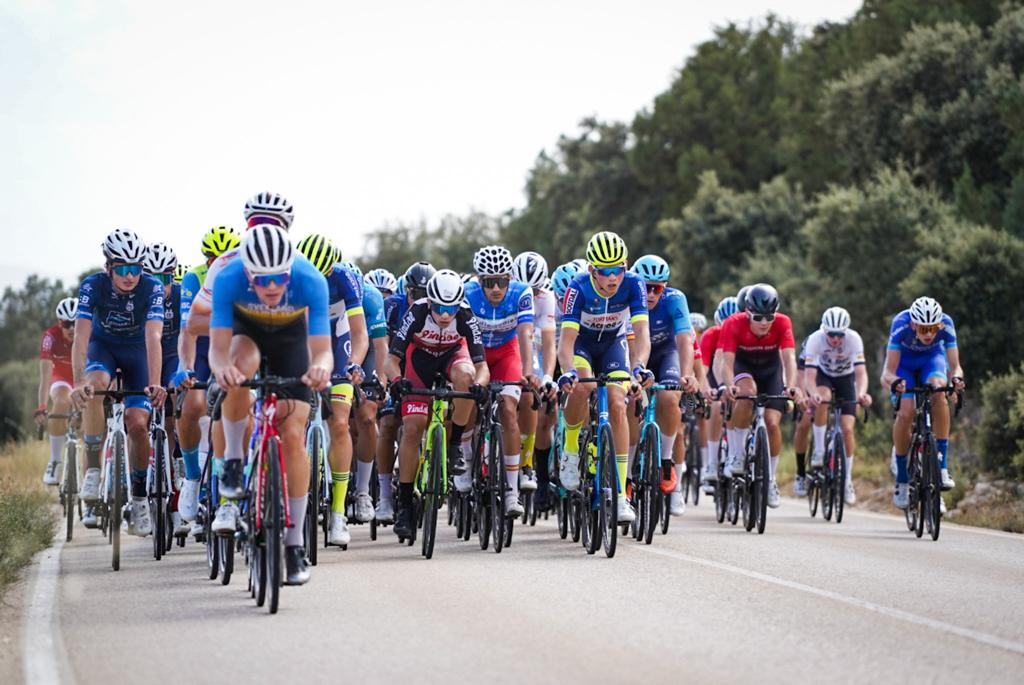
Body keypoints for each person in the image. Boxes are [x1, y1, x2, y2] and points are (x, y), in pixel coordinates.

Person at [209, 224, 331, 586]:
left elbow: (322, 350)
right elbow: (217, 350)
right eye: (263, 280)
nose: (273, 286)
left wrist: (321, 367)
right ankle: (233, 461)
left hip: (291, 341)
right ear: (248, 273)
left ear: (290, 270)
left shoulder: (310, 279)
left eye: (280, 278)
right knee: (237, 370)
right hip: (247, 334)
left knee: (293, 435)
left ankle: (294, 546)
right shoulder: (228, 278)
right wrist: (222, 370)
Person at [72, 229, 167, 537]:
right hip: (104, 348)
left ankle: (139, 500)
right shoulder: (92, 285)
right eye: (123, 268)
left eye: (135, 268)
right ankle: (94, 468)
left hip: (138, 353)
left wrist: (155, 383)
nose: (129, 276)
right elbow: (81, 335)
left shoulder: (152, 287)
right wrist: (78, 381)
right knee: (95, 386)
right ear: (109, 267)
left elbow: (154, 336)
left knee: (137, 423)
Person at [385, 269, 488, 539]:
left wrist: (479, 385)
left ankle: (454, 444)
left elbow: (482, 367)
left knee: (467, 377)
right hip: (419, 360)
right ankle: (405, 504)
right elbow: (391, 360)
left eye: (450, 308)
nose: (444, 315)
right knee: (412, 428)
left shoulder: (464, 315)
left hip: (453, 356)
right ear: (430, 302)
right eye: (439, 308)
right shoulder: (417, 312)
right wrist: (396, 379)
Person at [557, 231, 651, 524]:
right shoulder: (578, 288)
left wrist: (639, 367)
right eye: (605, 271)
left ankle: (621, 496)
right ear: (591, 270)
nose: (613, 277)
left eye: (618, 269)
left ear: (626, 266)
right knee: (582, 387)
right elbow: (566, 343)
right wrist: (568, 371)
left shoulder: (634, 284)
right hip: (582, 345)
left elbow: (642, 334)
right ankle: (571, 450)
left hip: (613, 345)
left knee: (618, 403)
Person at [296, 234, 368, 546]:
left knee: (339, 422)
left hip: (338, 340)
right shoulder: (291, 275)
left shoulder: (344, 278)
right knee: (293, 421)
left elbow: (359, 333)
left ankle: (338, 513)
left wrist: (355, 364)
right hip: (303, 338)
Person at [460, 246, 536, 517]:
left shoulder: (522, 293)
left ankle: (512, 492)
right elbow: (461, 337)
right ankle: (467, 459)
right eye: (489, 282)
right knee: (467, 401)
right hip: (475, 353)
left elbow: (526, 334)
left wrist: (528, 371)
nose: (495, 289)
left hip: (506, 353)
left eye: (501, 282)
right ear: (478, 280)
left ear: (509, 279)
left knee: (508, 410)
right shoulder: (466, 293)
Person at [173, 225, 240, 528]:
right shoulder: (194, 277)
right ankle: (192, 477)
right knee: (191, 407)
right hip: (202, 346)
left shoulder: (245, 274)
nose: (217, 263)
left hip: (233, 345)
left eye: (223, 256)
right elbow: (187, 329)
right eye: (212, 258)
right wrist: (185, 366)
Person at [719, 283, 802, 509]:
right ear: (747, 312)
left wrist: (791, 386)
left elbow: (789, 359)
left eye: (769, 317)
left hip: (770, 371)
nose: (764, 323)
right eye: (758, 317)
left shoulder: (783, 323)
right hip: (743, 368)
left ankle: (771, 479)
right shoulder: (733, 323)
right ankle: (737, 454)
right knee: (747, 394)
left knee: (773, 424)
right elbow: (727, 362)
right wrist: (729, 385)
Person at [628, 255, 698, 516]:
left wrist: (687, 375)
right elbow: (628, 344)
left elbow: (684, 340)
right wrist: (632, 376)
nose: (650, 294)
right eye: (645, 287)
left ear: (665, 287)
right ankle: (627, 474)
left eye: (656, 288)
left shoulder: (675, 299)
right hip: (636, 354)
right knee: (630, 403)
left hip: (667, 353)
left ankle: (666, 462)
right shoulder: (627, 298)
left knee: (670, 399)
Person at [880, 296, 965, 509]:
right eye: (924, 329)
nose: (929, 334)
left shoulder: (946, 323)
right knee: (906, 412)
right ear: (913, 324)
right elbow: (887, 373)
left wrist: (956, 380)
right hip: (903, 366)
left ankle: (941, 468)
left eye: (933, 329)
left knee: (938, 392)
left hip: (932, 361)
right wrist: (895, 382)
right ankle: (902, 478)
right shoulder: (900, 323)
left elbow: (955, 367)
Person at [375, 261, 435, 523]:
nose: (418, 299)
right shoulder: (392, 306)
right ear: (406, 290)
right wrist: (387, 380)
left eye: (424, 294)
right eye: (414, 293)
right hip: (396, 367)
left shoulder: (436, 309)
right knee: (388, 423)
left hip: (424, 368)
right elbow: (383, 345)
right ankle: (385, 496)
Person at [804, 307, 872, 506]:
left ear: (846, 332)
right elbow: (809, 377)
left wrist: (861, 394)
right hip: (823, 376)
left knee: (848, 429)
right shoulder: (815, 340)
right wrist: (813, 393)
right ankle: (819, 449)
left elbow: (861, 374)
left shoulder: (854, 339)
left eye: (839, 335)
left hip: (845, 378)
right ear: (825, 330)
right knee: (823, 398)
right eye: (831, 334)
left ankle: (847, 480)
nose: (835, 339)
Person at [512, 251, 558, 505]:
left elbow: (549, 343)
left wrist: (548, 376)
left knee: (533, 400)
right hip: (508, 346)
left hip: (533, 349)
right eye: (524, 290)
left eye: (535, 290)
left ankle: (528, 464)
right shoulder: (507, 293)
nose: (530, 296)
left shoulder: (546, 298)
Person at [36, 298, 78, 485]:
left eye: (75, 323)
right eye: (67, 324)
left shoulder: (90, 333)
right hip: (62, 378)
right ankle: (54, 461)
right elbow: (45, 376)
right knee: (61, 402)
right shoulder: (50, 337)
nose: (72, 328)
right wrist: (42, 407)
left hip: (84, 377)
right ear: (59, 323)